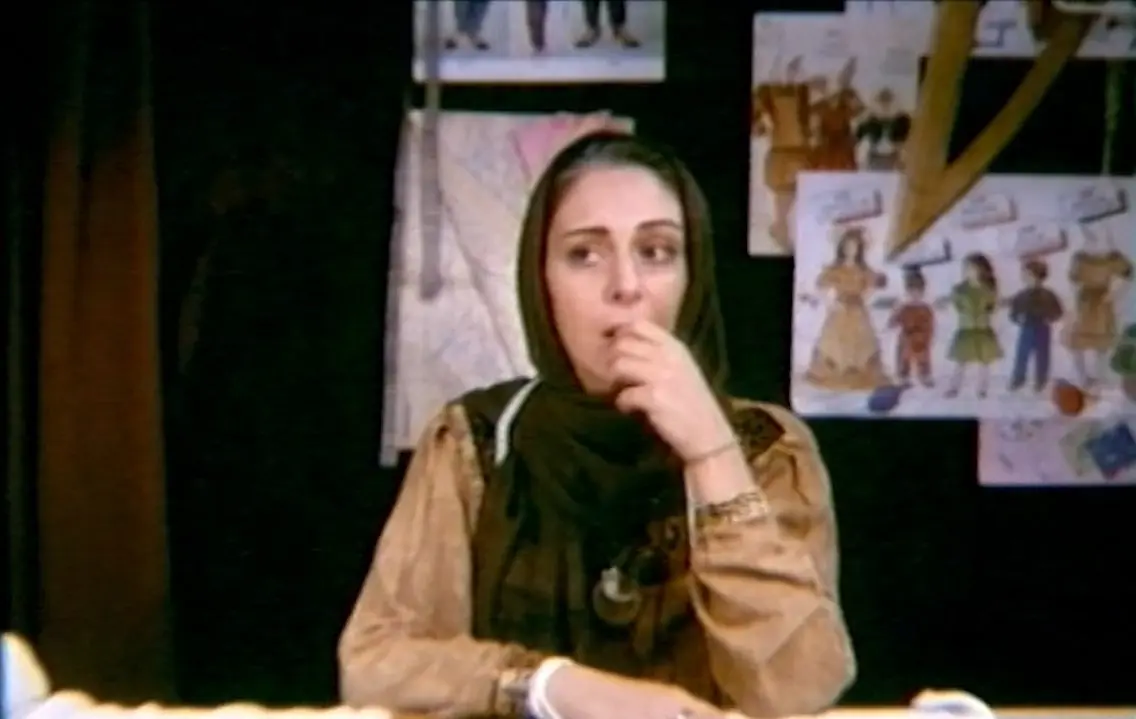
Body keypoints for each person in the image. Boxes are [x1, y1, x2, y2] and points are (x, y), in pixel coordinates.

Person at [338, 132, 856, 719]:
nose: (625, 286)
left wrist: (712, 454)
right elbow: (376, 663)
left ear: (692, 275)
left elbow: (800, 687)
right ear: (541, 281)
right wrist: (546, 686)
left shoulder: (766, 448)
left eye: (656, 251)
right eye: (585, 254)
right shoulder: (474, 441)